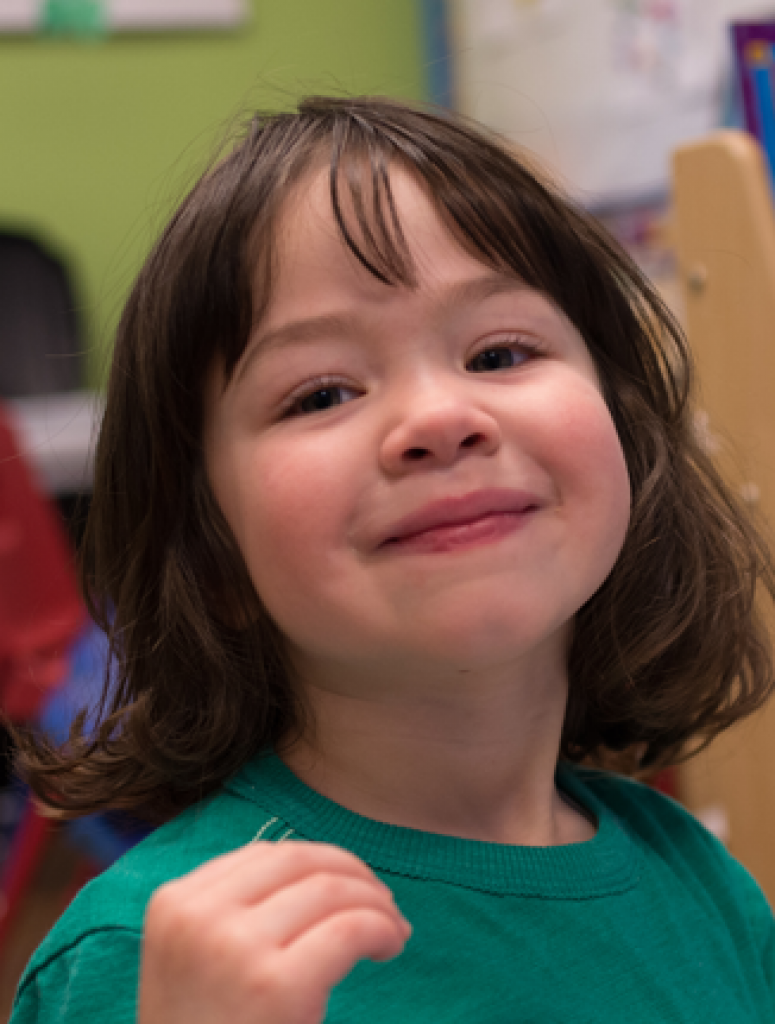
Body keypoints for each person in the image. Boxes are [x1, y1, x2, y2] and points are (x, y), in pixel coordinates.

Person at [8, 95, 775, 1023]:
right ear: (210, 557)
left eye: (498, 352)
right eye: (322, 392)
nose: (439, 420)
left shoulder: (702, 886)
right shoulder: (150, 961)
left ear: (629, 446)